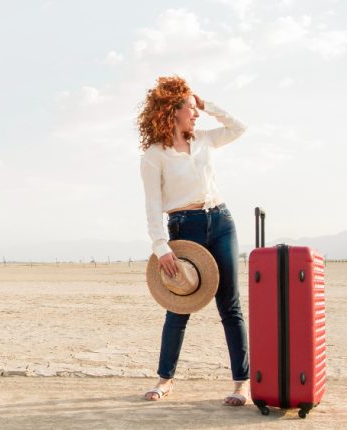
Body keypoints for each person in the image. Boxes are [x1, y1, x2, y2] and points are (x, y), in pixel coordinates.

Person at [137, 76, 250, 406]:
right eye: (191, 107)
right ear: (173, 111)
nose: (196, 113)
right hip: (185, 228)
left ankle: (241, 383)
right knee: (178, 306)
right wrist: (161, 246)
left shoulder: (204, 139)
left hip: (222, 221)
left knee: (230, 304)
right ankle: (165, 379)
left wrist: (207, 104)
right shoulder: (154, 155)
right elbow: (152, 205)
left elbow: (239, 127)